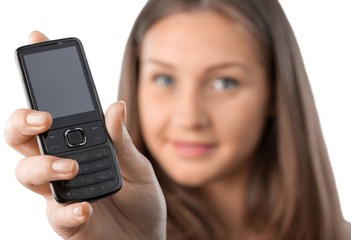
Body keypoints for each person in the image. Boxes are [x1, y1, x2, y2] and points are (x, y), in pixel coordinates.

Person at [5, 0, 350, 239]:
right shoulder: (121, 226)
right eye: (165, 79)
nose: (189, 117)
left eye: (223, 82)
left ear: (275, 92)